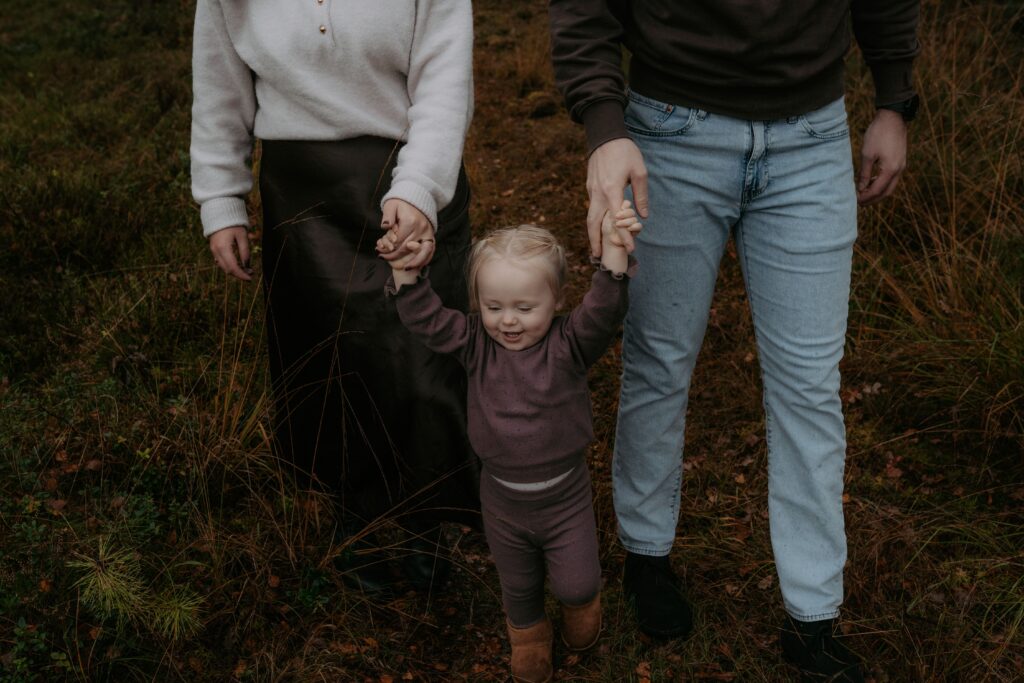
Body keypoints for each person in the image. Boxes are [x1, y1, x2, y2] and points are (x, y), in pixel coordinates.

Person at [548, 1, 920, 680]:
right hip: (669, 127)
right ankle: (647, 555)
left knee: (808, 384)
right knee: (659, 359)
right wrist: (603, 124)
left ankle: (813, 617)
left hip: (812, 138)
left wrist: (894, 98)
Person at [189, 0, 477, 594]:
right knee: (334, 356)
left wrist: (420, 186)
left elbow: (446, 80)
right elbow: (219, 85)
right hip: (304, 189)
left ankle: (424, 519)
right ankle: (358, 518)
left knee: (424, 358)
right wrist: (220, 196)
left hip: (410, 171)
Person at [377, 207, 640, 683]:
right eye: (494, 306)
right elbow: (429, 321)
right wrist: (406, 274)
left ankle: (582, 605)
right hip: (501, 498)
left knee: (576, 581)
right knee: (518, 583)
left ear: (556, 299)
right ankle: (529, 636)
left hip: (566, 497)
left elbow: (602, 313)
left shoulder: (569, 345)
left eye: (524, 307)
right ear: (478, 302)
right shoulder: (476, 343)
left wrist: (615, 257)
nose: (508, 322)